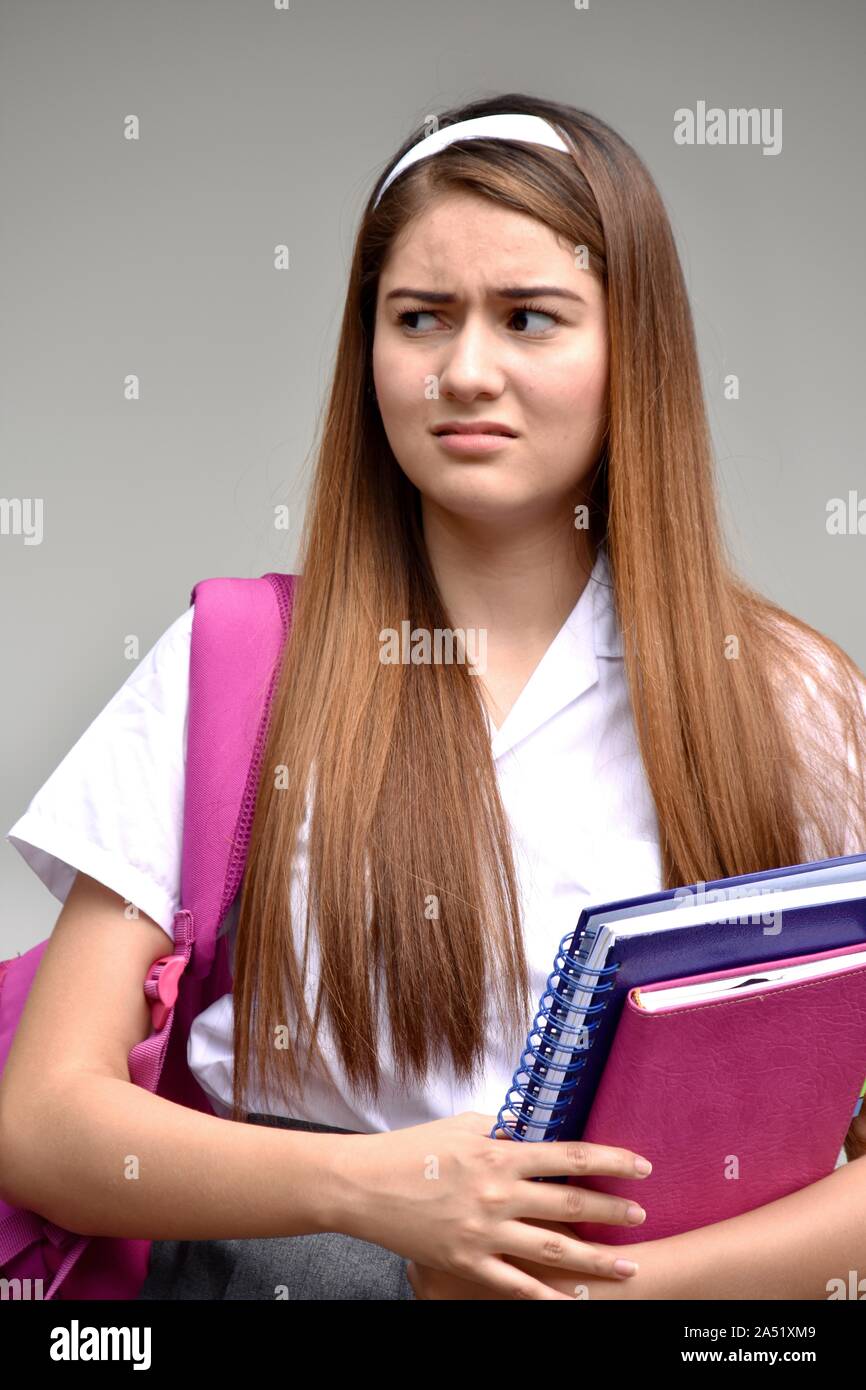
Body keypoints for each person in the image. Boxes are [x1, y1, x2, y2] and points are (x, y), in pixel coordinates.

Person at [3, 92, 866, 1302]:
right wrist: (376, 1197)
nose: (466, 370)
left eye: (529, 318)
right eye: (420, 318)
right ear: (370, 351)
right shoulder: (236, 660)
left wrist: (607, 1291)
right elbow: (44, 1123)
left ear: (634, 348)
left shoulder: (790, 699)